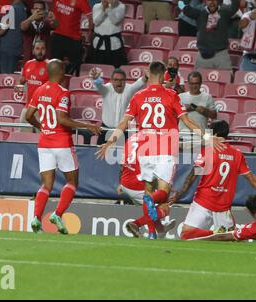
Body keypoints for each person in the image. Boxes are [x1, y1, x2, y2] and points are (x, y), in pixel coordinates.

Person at [96, 61, 225, 239]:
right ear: (164, 73)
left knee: (149, 190)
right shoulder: (171, 95)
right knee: (163, 193)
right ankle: (151, 207)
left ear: (148, 73)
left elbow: (123, 122)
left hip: (144, 151)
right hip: (164, 149)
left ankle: (151, 233)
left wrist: (110, 141)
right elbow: (187, 121)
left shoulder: (138, 96)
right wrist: (207, 137)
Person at [168, 120, 256, 240]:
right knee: (231, 239)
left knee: (186, 234)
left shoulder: (210, 150)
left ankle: (214, 233)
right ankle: (219, 233)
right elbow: (252, 180)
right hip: (223, 206)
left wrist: (179, 194)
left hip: (203, 202)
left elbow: (193, 175)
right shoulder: (237, 154)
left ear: (214, 135)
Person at [25, 59, 102, 234]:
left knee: (46, 185)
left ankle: (37, 217)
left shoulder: (39, 90)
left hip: (44, 142)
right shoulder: (63, 92)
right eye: (64, 70)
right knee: (72, 181)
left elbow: (28, 116)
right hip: (61, 142)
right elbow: (62, 119)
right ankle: (57, 214)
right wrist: (88, 126)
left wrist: (42, 126)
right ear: (59, 71)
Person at [119, 132, 177, 238]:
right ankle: (138, 225)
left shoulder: (130, 139)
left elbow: (122, 164)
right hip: (137, 183)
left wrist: (120, 182)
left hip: (125, 182)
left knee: (151, 206)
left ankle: (159, 229)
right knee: (164, 207)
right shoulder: (153, 139)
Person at [90, 68, 147, 145]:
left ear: (125, 81)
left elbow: (140, 82)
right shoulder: (106, 89)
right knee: (101, 155)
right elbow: (99, 86)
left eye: (121, 80)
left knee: (125, 155)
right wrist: (97, 79)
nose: (119, 82)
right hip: (106, 130)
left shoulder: (129, 89)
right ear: (111, 80)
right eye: (116, 80)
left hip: (124, 131)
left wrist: (147, 75)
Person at [181, 0, 241, 70]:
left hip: (221, 54)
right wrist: (186, 2)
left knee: (227, 77)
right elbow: (185, 9)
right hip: (203, 55)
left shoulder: (225, 12)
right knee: (198, 78)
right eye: (209, 0)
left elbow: (235, 6)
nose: (212, 2)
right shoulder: (199, 13)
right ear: (205, 2)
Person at [51, 0, 91, 76]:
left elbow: (90, 16)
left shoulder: (82, 1)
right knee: (54, 65)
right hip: (57, 36)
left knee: (75, 67)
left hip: (73, 39)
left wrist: (90, 33)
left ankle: (73, 85)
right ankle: (53, 85)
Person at [178, 71, 216, 150]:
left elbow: (214, 116)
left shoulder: (207, 97)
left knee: (199, 161)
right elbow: (172, 116)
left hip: (201, 137)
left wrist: (205, 111)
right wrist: (183, 110)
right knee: (184, 161)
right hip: (183, 136)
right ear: (188, 83)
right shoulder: (180, 97)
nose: (194, 86)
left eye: (196, 83)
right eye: (192, 83)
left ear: (201, 83)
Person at [18, 40, 49, 133]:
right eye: (37, 48)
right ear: (33, 50)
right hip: (28, 107)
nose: (40, 51)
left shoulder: (50, 65)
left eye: (42, 49)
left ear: (46, 50)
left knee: (42, 138)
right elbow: (20, 82)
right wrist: (19, 85)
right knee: (23, 138)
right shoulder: (28, 64)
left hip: (43, 109)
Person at [91, 0, 127, 68]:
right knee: (98, 69)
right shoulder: (96, 6)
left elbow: (115, 20)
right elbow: (96, 22)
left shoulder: (121, 7)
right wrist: (103, 11)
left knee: (113, 68)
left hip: (114, 45)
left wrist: (107, 8)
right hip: (98, 45)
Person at [0, 0, 27, 73]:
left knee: (5, 79)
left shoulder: (11, 9)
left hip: (7, 49)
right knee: (11, 78)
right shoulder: (23, 9)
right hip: (17, 47)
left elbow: (1, 30)